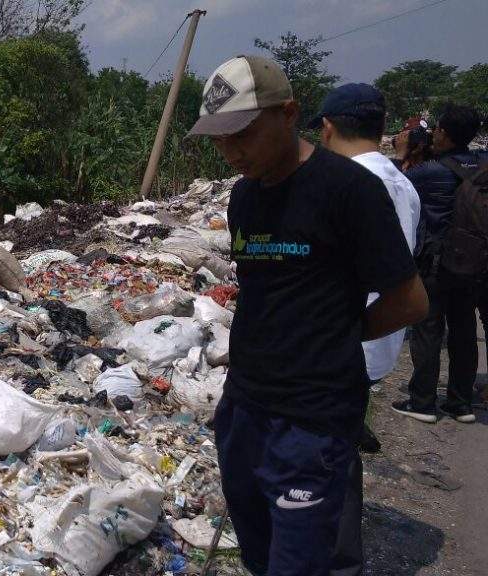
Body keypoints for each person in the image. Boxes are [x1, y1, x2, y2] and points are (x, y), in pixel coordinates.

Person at [189, 55, 428, 576]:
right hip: (245, 410)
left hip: (312, 420)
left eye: (242, 135)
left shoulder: (348, 190)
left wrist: (340, 335)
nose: (230, 152)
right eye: (218, 140)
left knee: (298, 564)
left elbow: (410, 300)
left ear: (289, 113)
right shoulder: (244, 197)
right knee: (258, 554)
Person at [309, 83, 422, 576]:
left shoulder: (342, 185)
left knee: (326, 458)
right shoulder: (403, 185)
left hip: (344, 345)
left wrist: (336, 331)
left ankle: (333, 559)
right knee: (337, 446)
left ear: (327, 128)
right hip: (375, 340)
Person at [394, 103, 486, 424]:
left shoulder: (430, 172)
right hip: (474, 263)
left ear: (443, 133)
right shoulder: (483, 165)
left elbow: (398, 186)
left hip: (435, 263)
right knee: (463, 330)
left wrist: (408, 152)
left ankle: (422, 402)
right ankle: (461, 404)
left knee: (428, 330)